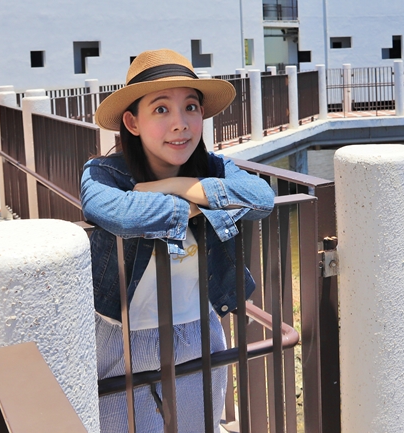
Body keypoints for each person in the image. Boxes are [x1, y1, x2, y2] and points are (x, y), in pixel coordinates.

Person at [81, 49, 275, 433]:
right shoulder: (105, 172)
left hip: (198, 328)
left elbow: (262, 199)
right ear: (132, 122)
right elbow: (113, 212)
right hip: (121, 337)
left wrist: (172, 186)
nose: (181, 123)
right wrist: (195, 204)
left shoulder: (214, 168)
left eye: (191, 107)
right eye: (161, 110)